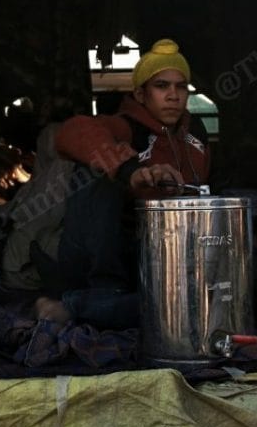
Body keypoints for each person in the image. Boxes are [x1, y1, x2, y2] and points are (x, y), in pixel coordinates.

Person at [35, 38, 211, 329]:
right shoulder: (126, 126)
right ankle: (102, 295)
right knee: (93, 174)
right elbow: (74, 130)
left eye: (181, 87)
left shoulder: (195, 138)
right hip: (114, 252)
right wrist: (130, 170)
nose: (173, 95)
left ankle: (80, 307)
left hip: (168, 255)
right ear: (141, 94)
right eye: (161, 86)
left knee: (192, 303)